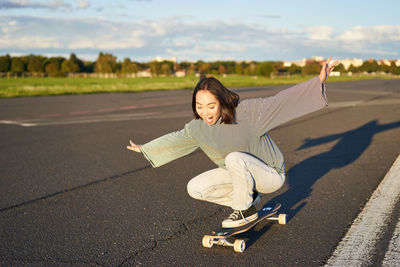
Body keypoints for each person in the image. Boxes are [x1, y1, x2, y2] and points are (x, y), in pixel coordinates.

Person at [127, 57, 339, 228]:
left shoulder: (248, 113)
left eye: (211, 105)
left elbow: (282, 101)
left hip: (270, 174)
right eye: (199, 106)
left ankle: (244, 209)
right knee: (195, 187)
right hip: (242, 176)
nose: (205, 112)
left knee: (234, 158)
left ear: (221, 101)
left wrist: (317, 81)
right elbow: (176, 139)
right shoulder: (197, 127)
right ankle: (250, 200)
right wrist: (145, 149)